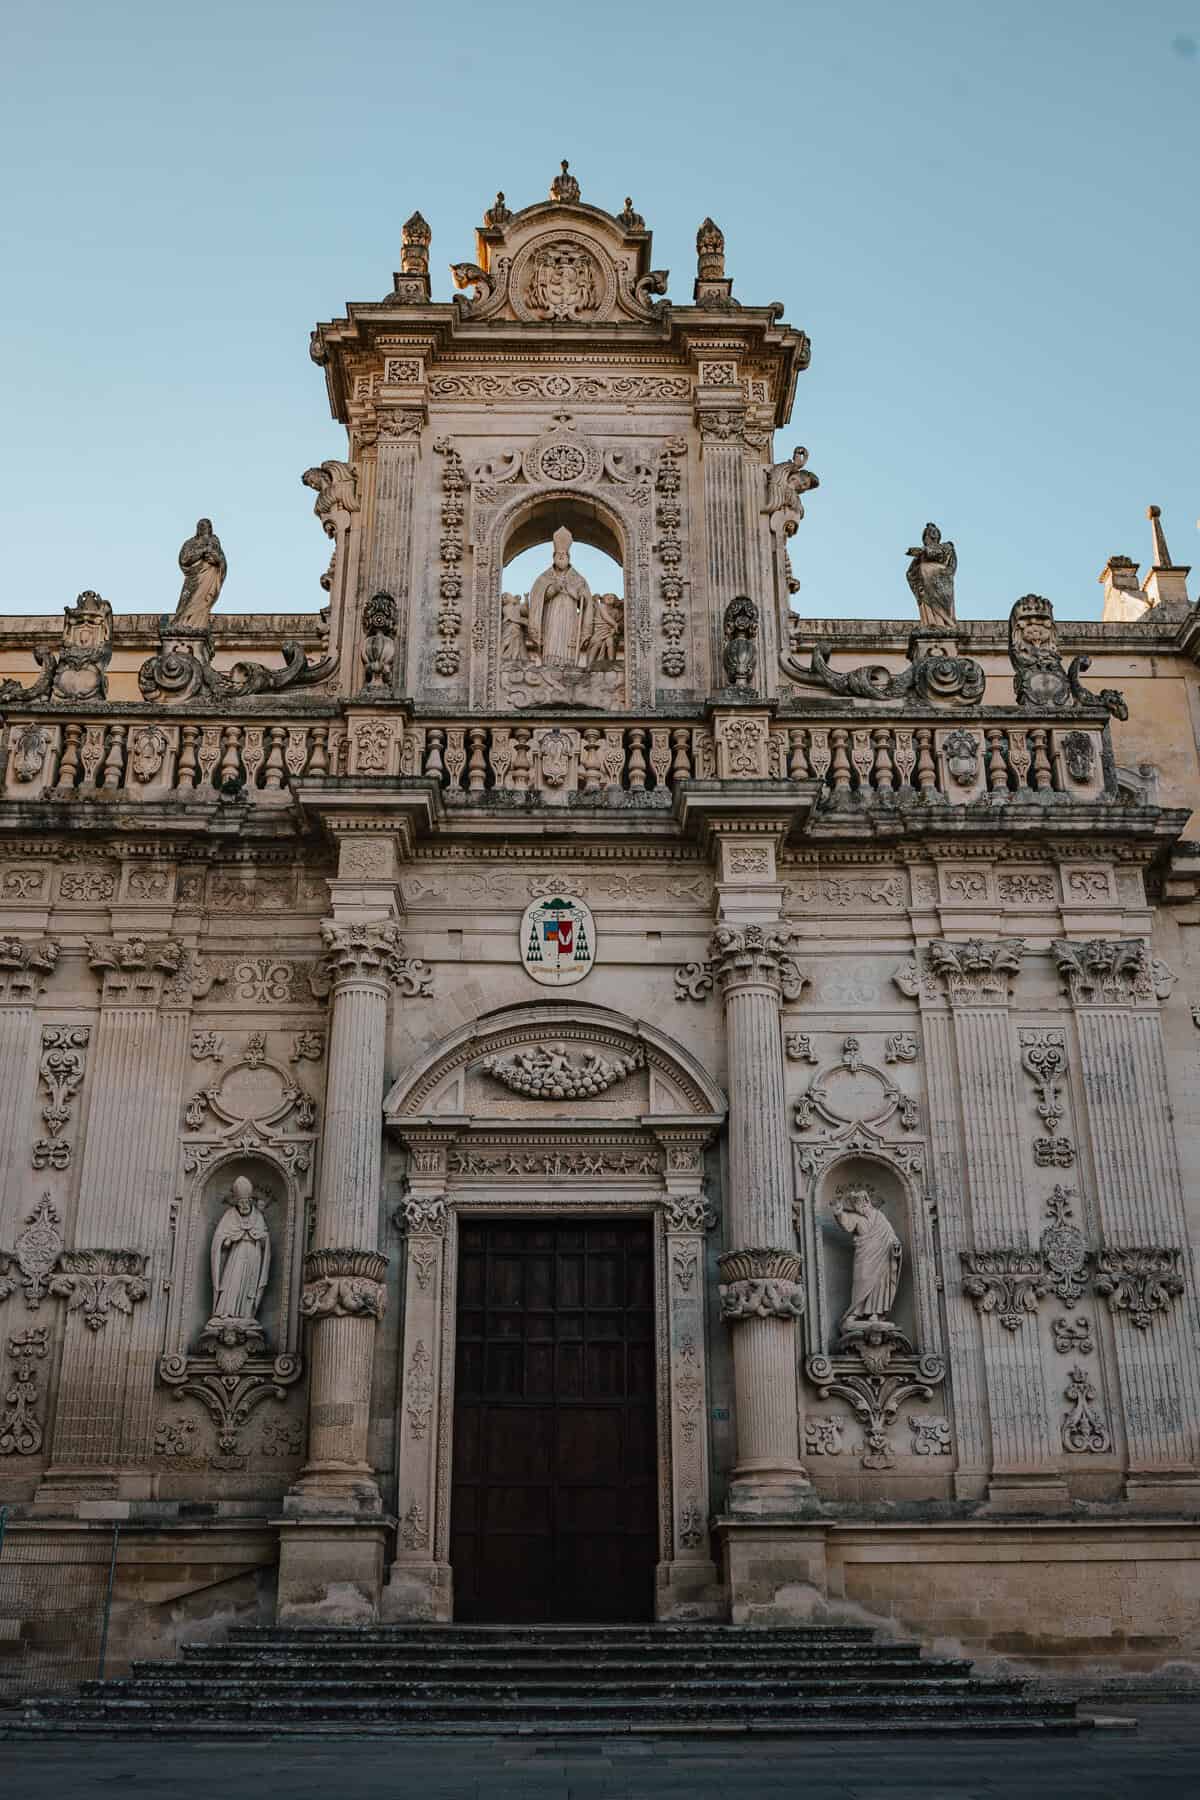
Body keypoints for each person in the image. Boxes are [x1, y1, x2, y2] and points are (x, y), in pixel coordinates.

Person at [834, 1184, 902, 1331]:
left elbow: (891, 1236)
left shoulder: (880, 1217)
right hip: (864, 1257)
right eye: (855, 1205)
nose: (859, 1207)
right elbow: (846, 1224)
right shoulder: (855, 1218)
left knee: (879, 1284)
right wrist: (839, 1212)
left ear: (867, 1202)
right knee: (862, 1280)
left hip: (882, 1256)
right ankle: (854, 1313)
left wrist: (896, 1246)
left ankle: (874, 1314)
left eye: (860, 1204)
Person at [209, 1176, 270, 1325]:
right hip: (236, 1254)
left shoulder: (258, 1216)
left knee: (250, 1285)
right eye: (240, 1202)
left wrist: (261, 1239)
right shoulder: (229, 1215)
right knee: (232, 1281)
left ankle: (246, 1314)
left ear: (250, 1201)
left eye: (245, 1202)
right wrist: (226, 1241)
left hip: (253, 1254)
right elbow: (219, 1239)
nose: (243, 1205)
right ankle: (225, 1312)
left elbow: (265, 1239)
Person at [174, 519, 227, 628]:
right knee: (186, 602)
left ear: (210, 528)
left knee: (203, 603)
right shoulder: (190, 543)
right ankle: (182, 623)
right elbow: (184, 559)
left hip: (208, 576)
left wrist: (215, 558)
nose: (203, 528)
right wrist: (202, 551)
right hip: (194, 577)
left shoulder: (214, 542)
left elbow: (221, 561)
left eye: (206, 526)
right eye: (201, 526)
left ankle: (196, 625)